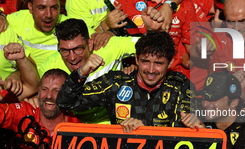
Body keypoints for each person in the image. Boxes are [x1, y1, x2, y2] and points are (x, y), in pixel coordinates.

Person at [56, 30, 192, 131]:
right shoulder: (116, 82)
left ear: (170, 63)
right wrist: (81, 73)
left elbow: (179, 135)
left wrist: (144, 131)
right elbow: (66, 101)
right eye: (145, 61)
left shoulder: (179, 85)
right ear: (136, 59)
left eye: (158, 63)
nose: (151, 70)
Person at [39, 18, 137, 124]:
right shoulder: (49, 67)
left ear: (90, 44)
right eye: (65, 51)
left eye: (78, 49)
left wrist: (137, 68)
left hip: (117, 123)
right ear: (58, 48)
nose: (72, 57)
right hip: (76, 126)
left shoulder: (110, 46)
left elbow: (150, 48)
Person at [0, 68, 80, 149]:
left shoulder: (78, 128)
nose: (49, 96)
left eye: (56, 91)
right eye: (44, 89)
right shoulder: (26, 113)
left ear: (67, 94)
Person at [6, 0, 67, 69]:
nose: (49, 15)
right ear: (30, 7)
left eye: (54, 8)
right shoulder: (17, 19)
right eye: (42, 8)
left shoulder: (69, 25)